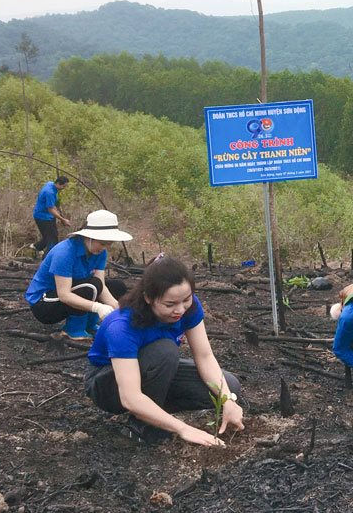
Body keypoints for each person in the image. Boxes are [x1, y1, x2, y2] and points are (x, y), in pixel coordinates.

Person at [84, 255, 244, 446]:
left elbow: (205, 356)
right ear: (148, 298)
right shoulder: (122, 326)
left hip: (153, 371)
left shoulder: (188, 307)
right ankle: (142, 425)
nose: (180, 310)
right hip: (109, 385)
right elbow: (130, 397)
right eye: (170, 304)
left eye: (186, 299)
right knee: (165, 351)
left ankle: (153, 410)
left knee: (229, 386)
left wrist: (227, 400)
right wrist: (183, 428)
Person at [25, 209, 131, 340]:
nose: (104, 248)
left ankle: (90, 325)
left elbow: (101, 286)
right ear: (89, 237)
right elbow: (64, 295)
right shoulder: (65, 252)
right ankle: (74, 329)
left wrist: (117, 308)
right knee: (91, 286)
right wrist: (97, 307)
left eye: (108, 244)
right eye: (102, 243)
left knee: (116, 286)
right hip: (44, 304)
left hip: (74, 292)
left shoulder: (99, 253)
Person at [30, 176, 71, 255]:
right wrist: (63, 220)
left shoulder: (50, 183)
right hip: (43, 218)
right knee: (52, 240)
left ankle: (36, 247)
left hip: (45, 215)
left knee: (48, 236)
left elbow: (52, 205)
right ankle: (47, 259)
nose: (64, 188)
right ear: (58, 183)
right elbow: (51, 209)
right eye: (64, 186)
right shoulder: (50, 192)